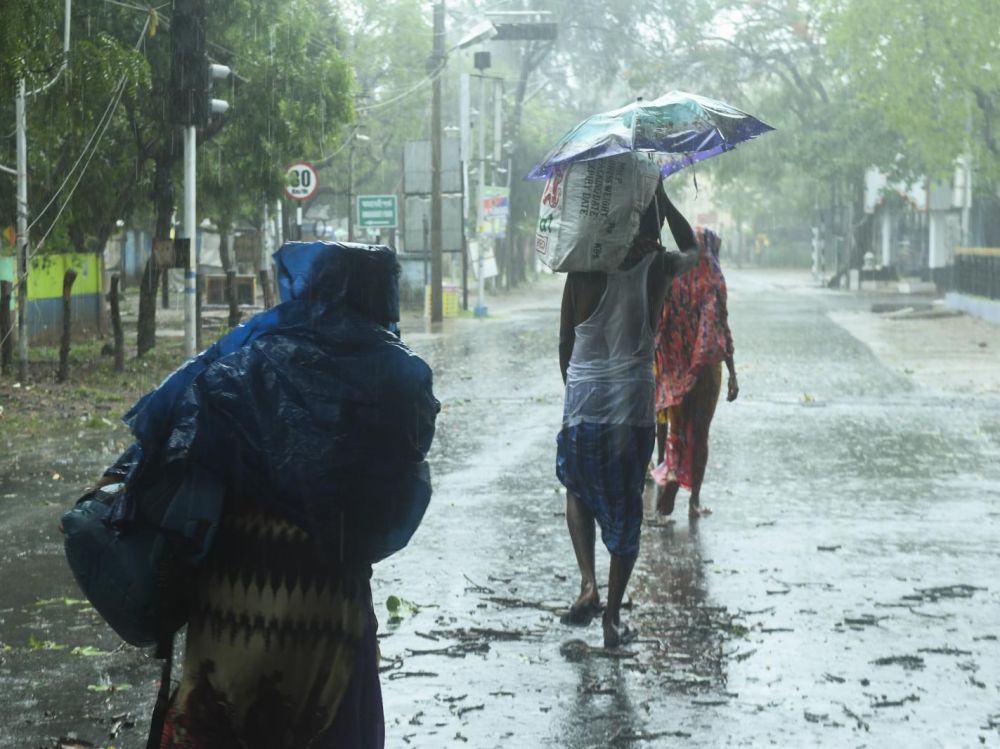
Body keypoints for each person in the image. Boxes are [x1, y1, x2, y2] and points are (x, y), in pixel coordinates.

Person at [90, 242, 438, 749]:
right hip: (328, 596)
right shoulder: (397, 377)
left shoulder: (243, 358)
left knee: (219, 721)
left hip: (233, 586)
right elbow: (393, 500)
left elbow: (176, 442)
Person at [557, 180, 701, 647]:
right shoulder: (658, 264)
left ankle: (587, 584)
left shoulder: (581, 266)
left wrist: (577, 392)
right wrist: (664, 198)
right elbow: (696, 252)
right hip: (632, 401)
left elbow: (565, 343)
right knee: (625, 507)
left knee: (576, 485)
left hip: (584, 396)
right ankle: (612, 619)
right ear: (649, 218)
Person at [652, 227, 738, 519]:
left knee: (676, 432)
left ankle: (673, 472)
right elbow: (719, 327)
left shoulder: (674, 279)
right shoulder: (713, 278)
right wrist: (733, 373)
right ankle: (695, 500)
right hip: (706, 371)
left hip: (677, 369)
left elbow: (660, 322)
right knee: (700, 435)